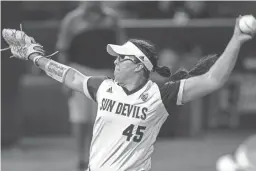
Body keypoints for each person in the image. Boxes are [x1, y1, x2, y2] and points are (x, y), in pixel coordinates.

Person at [2, 16, 255, 171]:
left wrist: (236, 39)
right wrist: (35, 57)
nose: (115, 62)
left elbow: (213, 79)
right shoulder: (105, 87)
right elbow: (71, 75)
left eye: (121, 58)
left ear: (138, 65)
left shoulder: (161, 94)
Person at [56, 2, 124, 170]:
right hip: (79, 72)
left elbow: (121, 48)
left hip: (107, 73)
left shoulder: (112, 19)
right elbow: (63, 49)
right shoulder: (72, 20)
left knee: (104, 118)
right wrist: (64, 78)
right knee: (80, 118)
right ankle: (81, 156)